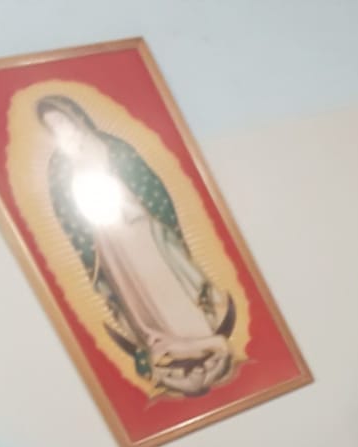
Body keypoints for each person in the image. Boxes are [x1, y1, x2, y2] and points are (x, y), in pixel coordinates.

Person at [39, 95, 237, 397]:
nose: (60, 128)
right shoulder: (58, 165)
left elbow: (147, 184)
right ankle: (161, 340)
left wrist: (145, 214)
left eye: (62, 120)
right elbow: (66, 212)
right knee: (134, 292)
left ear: (74, 116)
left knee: (163, 280)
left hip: (141, 226)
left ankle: (196, 334)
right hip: (106, 242)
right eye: (53, 126)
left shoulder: (109, 145)